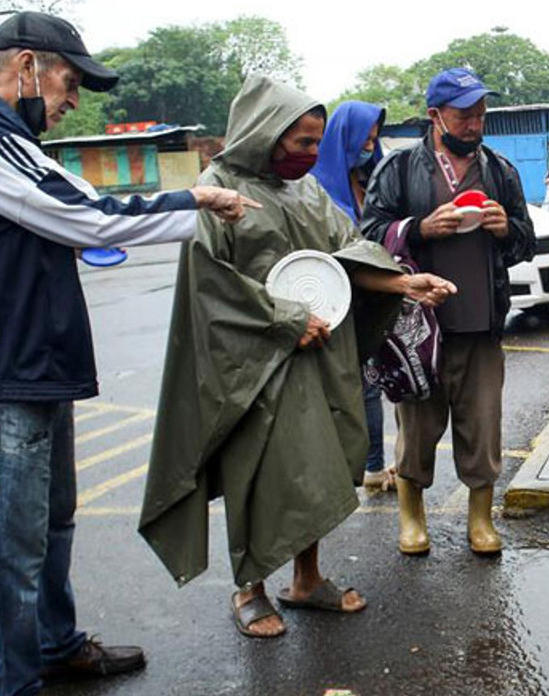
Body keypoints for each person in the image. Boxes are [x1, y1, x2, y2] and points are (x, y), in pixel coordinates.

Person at [0, 12, 260, 696]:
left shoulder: (2, 132)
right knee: (11, 543)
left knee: (51, 521)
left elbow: (74, 212)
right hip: (0, 371)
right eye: (70, 83)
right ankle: (14, 682)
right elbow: (90, 218)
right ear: (27, 67)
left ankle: (53, 643)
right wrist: (196, 201)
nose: (72, 101)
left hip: (31, 366)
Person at [139, 75, 454, 639]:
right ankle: (249, 589)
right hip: (251, 365)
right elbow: (210, 285)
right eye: (302, 142)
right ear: (267, 132)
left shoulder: (306, 191)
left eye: (316, 142)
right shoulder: (219, 190)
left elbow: (347, 257)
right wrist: (284, 320)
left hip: (318, 356)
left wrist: (403, 283)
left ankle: (306, 579)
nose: (312, 154)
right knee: (257, 471)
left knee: (318, 467)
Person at [360, 67, 536, 557]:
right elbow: (368, 235)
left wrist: (507, 229)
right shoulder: (397, 169)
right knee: (416, 428)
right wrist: (419, 227)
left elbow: (525, 243)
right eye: (464, 115)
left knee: (482, 428)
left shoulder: (500, 170)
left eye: (481, 113)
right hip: (417, 329)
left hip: (481, 326)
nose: (475, 123)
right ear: (435, 115)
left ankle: (480, 518)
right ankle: (412, 517)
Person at [310, 100, 395, 490]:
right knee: (358, 388)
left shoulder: (368, 179)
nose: (370, 147)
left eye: (374, 140)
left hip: (370, 302)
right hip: (332, 304)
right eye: (365, 139)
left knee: (371, 385)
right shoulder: (316, 188)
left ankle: (372, 465)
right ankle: (364, 467)